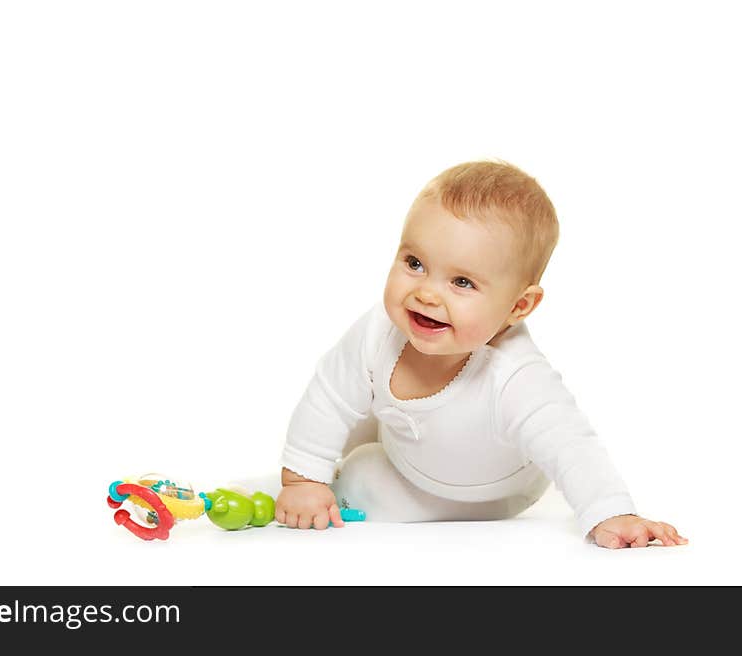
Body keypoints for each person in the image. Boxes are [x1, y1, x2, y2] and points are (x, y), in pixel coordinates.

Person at [275, 160, 687, 549]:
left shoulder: (515, 376)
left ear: (517, 307)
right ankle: (312, 474)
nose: (426, 293)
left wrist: (611, 513)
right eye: (415, 263)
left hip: (480, 490)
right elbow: (329, 394)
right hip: (409, 438)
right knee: (345, 412)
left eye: (462, 282)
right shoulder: (378, 330)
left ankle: (340, 484)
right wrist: (301, 479)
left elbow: (570, 444)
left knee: (364, 475)